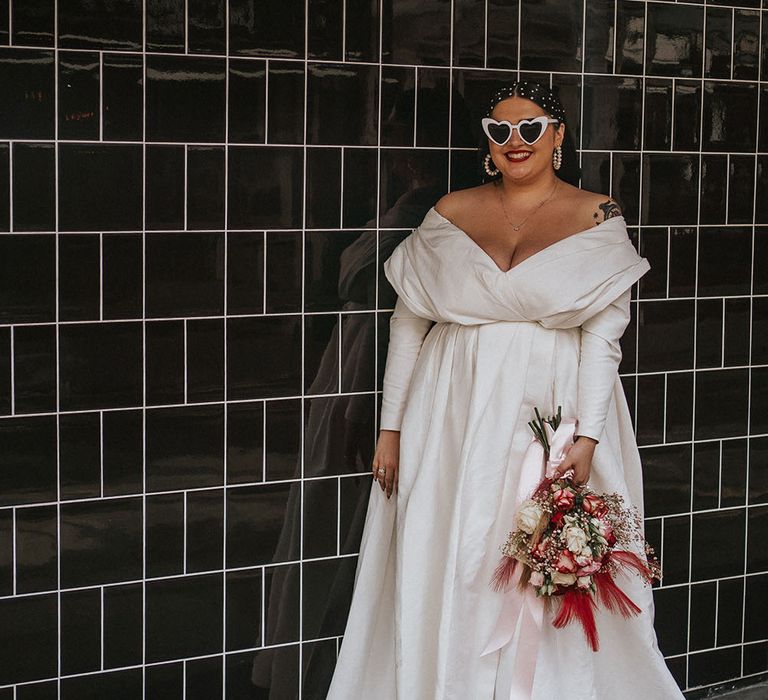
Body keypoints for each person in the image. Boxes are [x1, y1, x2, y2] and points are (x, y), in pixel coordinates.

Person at [325, 81, 685, 699]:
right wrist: (391, 429)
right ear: (486, 144)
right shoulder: (451, 211)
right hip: (452, 412)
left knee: (537, 557)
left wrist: (590, 437)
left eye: (529, 127)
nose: (514, 142)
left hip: (552, 409)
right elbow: (407, 324)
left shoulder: (596, 214)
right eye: (499, 130)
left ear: (558, 135)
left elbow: (604, 339)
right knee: (454, 548)